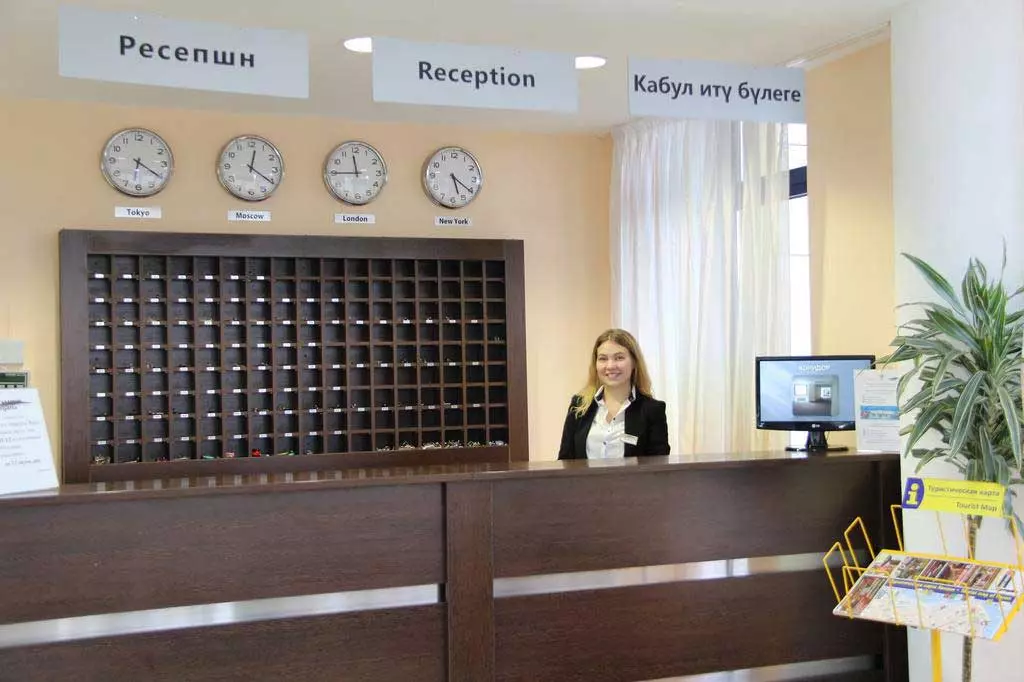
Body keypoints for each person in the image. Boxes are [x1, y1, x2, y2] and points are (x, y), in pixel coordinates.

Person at [557, 328, 670, 459]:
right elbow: (565, 461)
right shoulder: (579, 406)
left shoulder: (652, 410)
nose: (610, 366)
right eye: (603, 359)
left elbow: (658, 466)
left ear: (634, 362)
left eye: (619, 358)